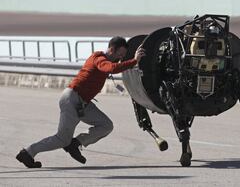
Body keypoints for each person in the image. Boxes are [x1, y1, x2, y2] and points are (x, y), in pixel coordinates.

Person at [16, 36, 145, 168]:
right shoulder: (99, 58)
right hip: (72, 99)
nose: (121, 58)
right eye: (120, 54)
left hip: (83, 103)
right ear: (112, 49)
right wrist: (134, 60)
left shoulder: (107, 61)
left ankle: (76, 143)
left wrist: (136, 64)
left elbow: (115, 67)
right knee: (62, 139)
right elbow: (110, 68)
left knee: (106, 125)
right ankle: (28, 152)